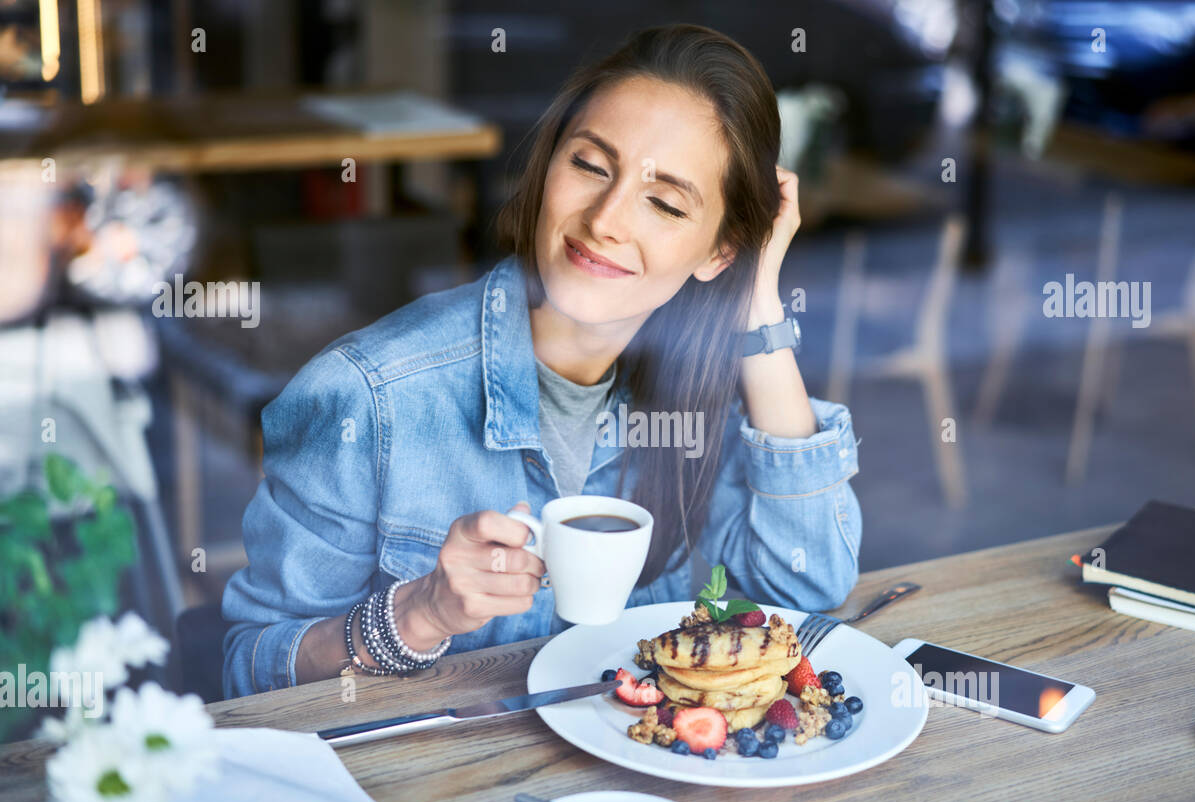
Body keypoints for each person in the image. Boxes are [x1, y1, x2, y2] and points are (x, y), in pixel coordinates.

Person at [221, 23, 863, 698]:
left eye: (666, 202)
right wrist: (418, 614)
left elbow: (805, 591)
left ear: (718, 252)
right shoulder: (366, 395)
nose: (606, 218)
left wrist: (759, 303)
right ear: (549, 164)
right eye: (589, 165)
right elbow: (245, 670)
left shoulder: (700, 396)